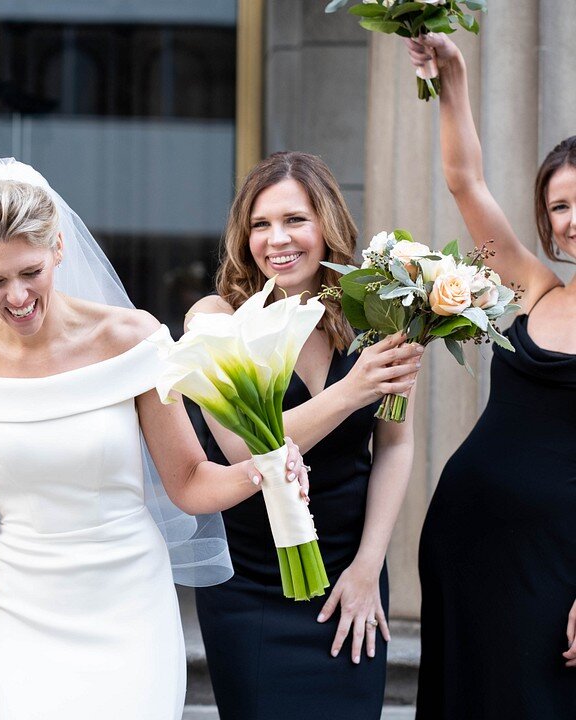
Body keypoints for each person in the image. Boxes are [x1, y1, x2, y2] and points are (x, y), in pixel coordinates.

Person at [0, 158, 311, 720]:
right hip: (20, 608)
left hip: (131, 606)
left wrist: (262, 468)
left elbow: (188, 483)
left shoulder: (132, 337)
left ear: (58, 249)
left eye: (30, 272)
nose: (16, 296)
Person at [189, 151, 421, 720]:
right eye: (260, 225)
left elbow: (394, 445)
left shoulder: (377, 319)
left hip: (349, 570)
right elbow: (244, 450)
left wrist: (369, 566)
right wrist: (350, 391)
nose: (277, 239)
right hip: (251, 583)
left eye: (295, 220)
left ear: (328, 227)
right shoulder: (216, 319)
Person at [405, 35, 576, 719]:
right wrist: (454, 78)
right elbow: (465, 182)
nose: (573, 219)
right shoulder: (535, 288)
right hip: (469, 537)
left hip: (557, 560)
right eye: (560, 206)